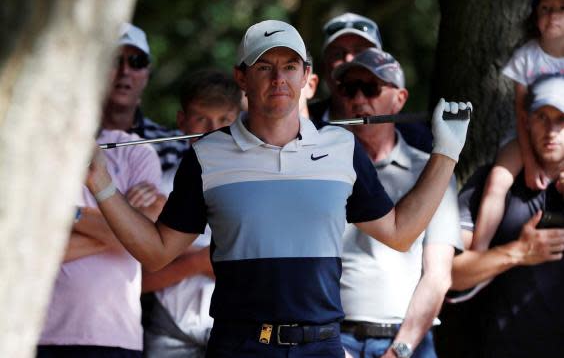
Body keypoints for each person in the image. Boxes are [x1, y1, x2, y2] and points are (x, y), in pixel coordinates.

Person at [85, 20, 471, 358]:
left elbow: (400, 234)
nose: (278, 79)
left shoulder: (341, 148)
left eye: (289, 67)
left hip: (320, 346)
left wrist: (446, 152)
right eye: (264, 67)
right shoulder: (207, 154)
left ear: (306, 76)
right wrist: (100, 183)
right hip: (239, 345)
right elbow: (156, 252)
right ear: (242, 78)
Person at [333, 48, 462, 358]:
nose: (359, 99)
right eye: (350, 89)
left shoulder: (432, 171)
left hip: (409, 342)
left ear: (400, 99)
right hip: (333, 339)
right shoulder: (324, 166)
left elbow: (438, 275)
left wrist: (399, 351)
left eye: (372, 88)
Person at [37, 53, 164, 357]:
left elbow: (144, 243)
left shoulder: (137, 153)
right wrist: (121, 230)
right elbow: (32, 253)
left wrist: (68, 217)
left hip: (116, 337)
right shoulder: (35, 152)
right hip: (41, 331)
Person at [446, 73, 564, 357]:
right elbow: (452, 273)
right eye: (541, 118)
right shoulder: (491, 182)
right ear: (525, 122)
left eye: (561, 119)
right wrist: (518, 252)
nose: (551, 131)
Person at [142, 69, 242, 358]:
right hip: (169, 332)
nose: (213, 131)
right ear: (182, 121)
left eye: (224, 120)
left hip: (239, 331)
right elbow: (139, 280)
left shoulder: (256, 187)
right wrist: (200, 261)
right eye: (202, 119)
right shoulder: (158, 188)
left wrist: (177, 259)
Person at [471, 0, 564, 252]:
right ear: (535, 16)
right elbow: (522, 114)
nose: (554, 15)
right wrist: (529, 159)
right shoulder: (526, 57)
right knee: (497, 181)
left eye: (562, 8)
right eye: (546, 8)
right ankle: (479, 252)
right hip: (527, 134)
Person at [309, 12, 433, 152]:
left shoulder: (417, 138)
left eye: (361, 53)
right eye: (337, 54)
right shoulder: (302, 123)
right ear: (324, 67)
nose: (350, 60)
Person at [102, 23, 187, 173]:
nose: (125, 71)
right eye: (114, 60)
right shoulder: (66, 138)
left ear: (147, 74)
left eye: (137, 62)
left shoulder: (174, 146)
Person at [298, 52, 319, 118]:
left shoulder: (336, 128)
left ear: (311, 85)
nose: (279, 79)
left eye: (290, 68)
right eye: (266, 68)